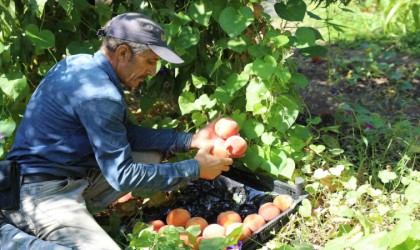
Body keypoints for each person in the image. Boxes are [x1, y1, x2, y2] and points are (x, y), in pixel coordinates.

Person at [0, 13, 233, 249]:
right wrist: (194, 168)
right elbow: (122, 176)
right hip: (38, 193)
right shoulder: (100, 94)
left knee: (150, 158)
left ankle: (74, 215)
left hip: (63, 174)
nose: (153, 71)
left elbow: (124, 134)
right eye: (150, 61)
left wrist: (190, 139)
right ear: (123, 52)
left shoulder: (81, 65)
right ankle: (10, 236)